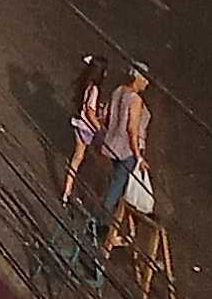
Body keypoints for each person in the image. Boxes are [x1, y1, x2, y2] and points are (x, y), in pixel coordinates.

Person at [90, 64, 153, 248]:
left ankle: (112, 228)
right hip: (127, 151)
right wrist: (139, 156)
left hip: (113, 146)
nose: (147, 83)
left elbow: (107, 115)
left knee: (117, 186)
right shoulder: (135, 100)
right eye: (145, 79)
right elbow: (132, 130)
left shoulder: (118, 91)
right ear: (137, 78)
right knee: (117, 190)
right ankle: (97, 224)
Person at [61, 53, 109, 205]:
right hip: (88, 128)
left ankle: (67, 191)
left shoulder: (86, 85)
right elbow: (90, 111)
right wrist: (99, 128)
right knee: (97, 161)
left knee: (77, 158)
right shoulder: (95, 90)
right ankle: (87, 194)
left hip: (79, 124)